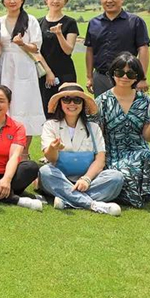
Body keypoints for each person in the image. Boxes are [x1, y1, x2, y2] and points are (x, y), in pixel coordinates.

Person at [93, 53, 150, 208]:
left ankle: (122, 192)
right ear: (113, 74)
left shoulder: (145, 101)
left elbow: (148, 137)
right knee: (125, 173)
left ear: (137, 77)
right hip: (112, 152)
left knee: (148, 157)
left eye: (130, 74)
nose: (124, 77)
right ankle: (123, 192)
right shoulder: (102, 101)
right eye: (119, 72)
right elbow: (98, 137)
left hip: (137, 150)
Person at [38, 82, 123, 216]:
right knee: (45, 172)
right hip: (60, 178)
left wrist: (86, 179)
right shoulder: (50, 125)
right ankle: (92, 204)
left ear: (83, 104)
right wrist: (53, 148)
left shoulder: (93, 127)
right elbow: (50, 158)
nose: (72, 104)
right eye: (67, 99)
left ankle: (67, 200)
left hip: (88, 180)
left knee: (116, 177)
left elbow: (100, 160)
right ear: (60, 103)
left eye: (77, 100)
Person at [0, 0, 45, 156]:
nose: (12, 1)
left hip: (24, 67)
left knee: (26, 107)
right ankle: (5, 151)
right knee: (6, 106)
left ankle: (24, 152)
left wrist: (22, 43)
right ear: (3, 1)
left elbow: (36, 47)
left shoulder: (30, 20)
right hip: (4, 67)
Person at [85, 0, 150, 97]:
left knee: (128, 108)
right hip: (100, 78)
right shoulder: (93, 23)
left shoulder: (135, 22)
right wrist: (90, 77)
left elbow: (143, 49)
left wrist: (142, 78)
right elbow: (90, 50)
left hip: (126, 78)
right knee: (100, 108)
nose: (109, 0)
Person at [37, 0, 79, 114]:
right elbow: (36, 51)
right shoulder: (38, 23)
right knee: (47, 109)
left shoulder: (70, 23)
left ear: (65, 0)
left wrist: (59, 34)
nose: (55, 1)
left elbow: (68, 50)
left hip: (65, 72)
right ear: (46, 0)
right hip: (44, 73)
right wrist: (48, 72)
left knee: (67, 108)